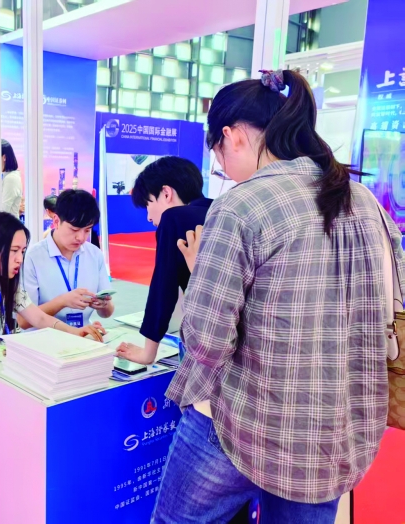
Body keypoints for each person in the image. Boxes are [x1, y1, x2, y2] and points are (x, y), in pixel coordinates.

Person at [150, 69, 405, 524]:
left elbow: (207, 341)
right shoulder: (366, 202)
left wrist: (201, 272)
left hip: (240, 424)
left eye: (217, 154)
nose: (222, 167)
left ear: (231, 136)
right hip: (334, 433)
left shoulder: (241, 204)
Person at [0, 212, 103, 524]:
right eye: (14, 251)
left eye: (23, 251)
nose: (19, 259)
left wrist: (75, 333)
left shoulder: (8, 284)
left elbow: (38, 318)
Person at [116, 156, 211, 365]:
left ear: (166, 193)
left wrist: (147, 353)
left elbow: (163, 287)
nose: (149, 217)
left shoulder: (174, 217)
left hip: (205, 340)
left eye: (148, 204)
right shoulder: (219, 210)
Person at [18, 189, 114, 330]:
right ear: (56, 221)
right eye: (74, 230)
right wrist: (62, 301)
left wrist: (103, 305)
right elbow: (23, 321)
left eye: (87, 230)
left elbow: (107, 313)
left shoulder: (95, 254)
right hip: (43, 338)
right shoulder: (33, 257)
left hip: (82, 335)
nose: (81, 237)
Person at [1, 139, 22, 218]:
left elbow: (3, 210)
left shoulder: (11, 178)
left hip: (8, 225)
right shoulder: (7, 176)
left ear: (4, 157)